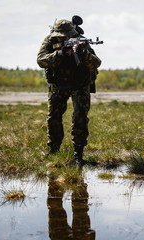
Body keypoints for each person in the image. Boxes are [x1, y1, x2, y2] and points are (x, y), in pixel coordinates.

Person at [37, 18, 101, 166]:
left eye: (68, 35)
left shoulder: (80, 40)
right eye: (63, 36)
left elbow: (96, 62)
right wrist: (59, 54)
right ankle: (54, 150)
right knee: (53, 116)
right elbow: (41, 60)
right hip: (59, 83)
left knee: (80, 116)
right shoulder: (49, 41)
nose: (67, 38)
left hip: (80, 83)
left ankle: (78, 154)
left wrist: (83, 54)